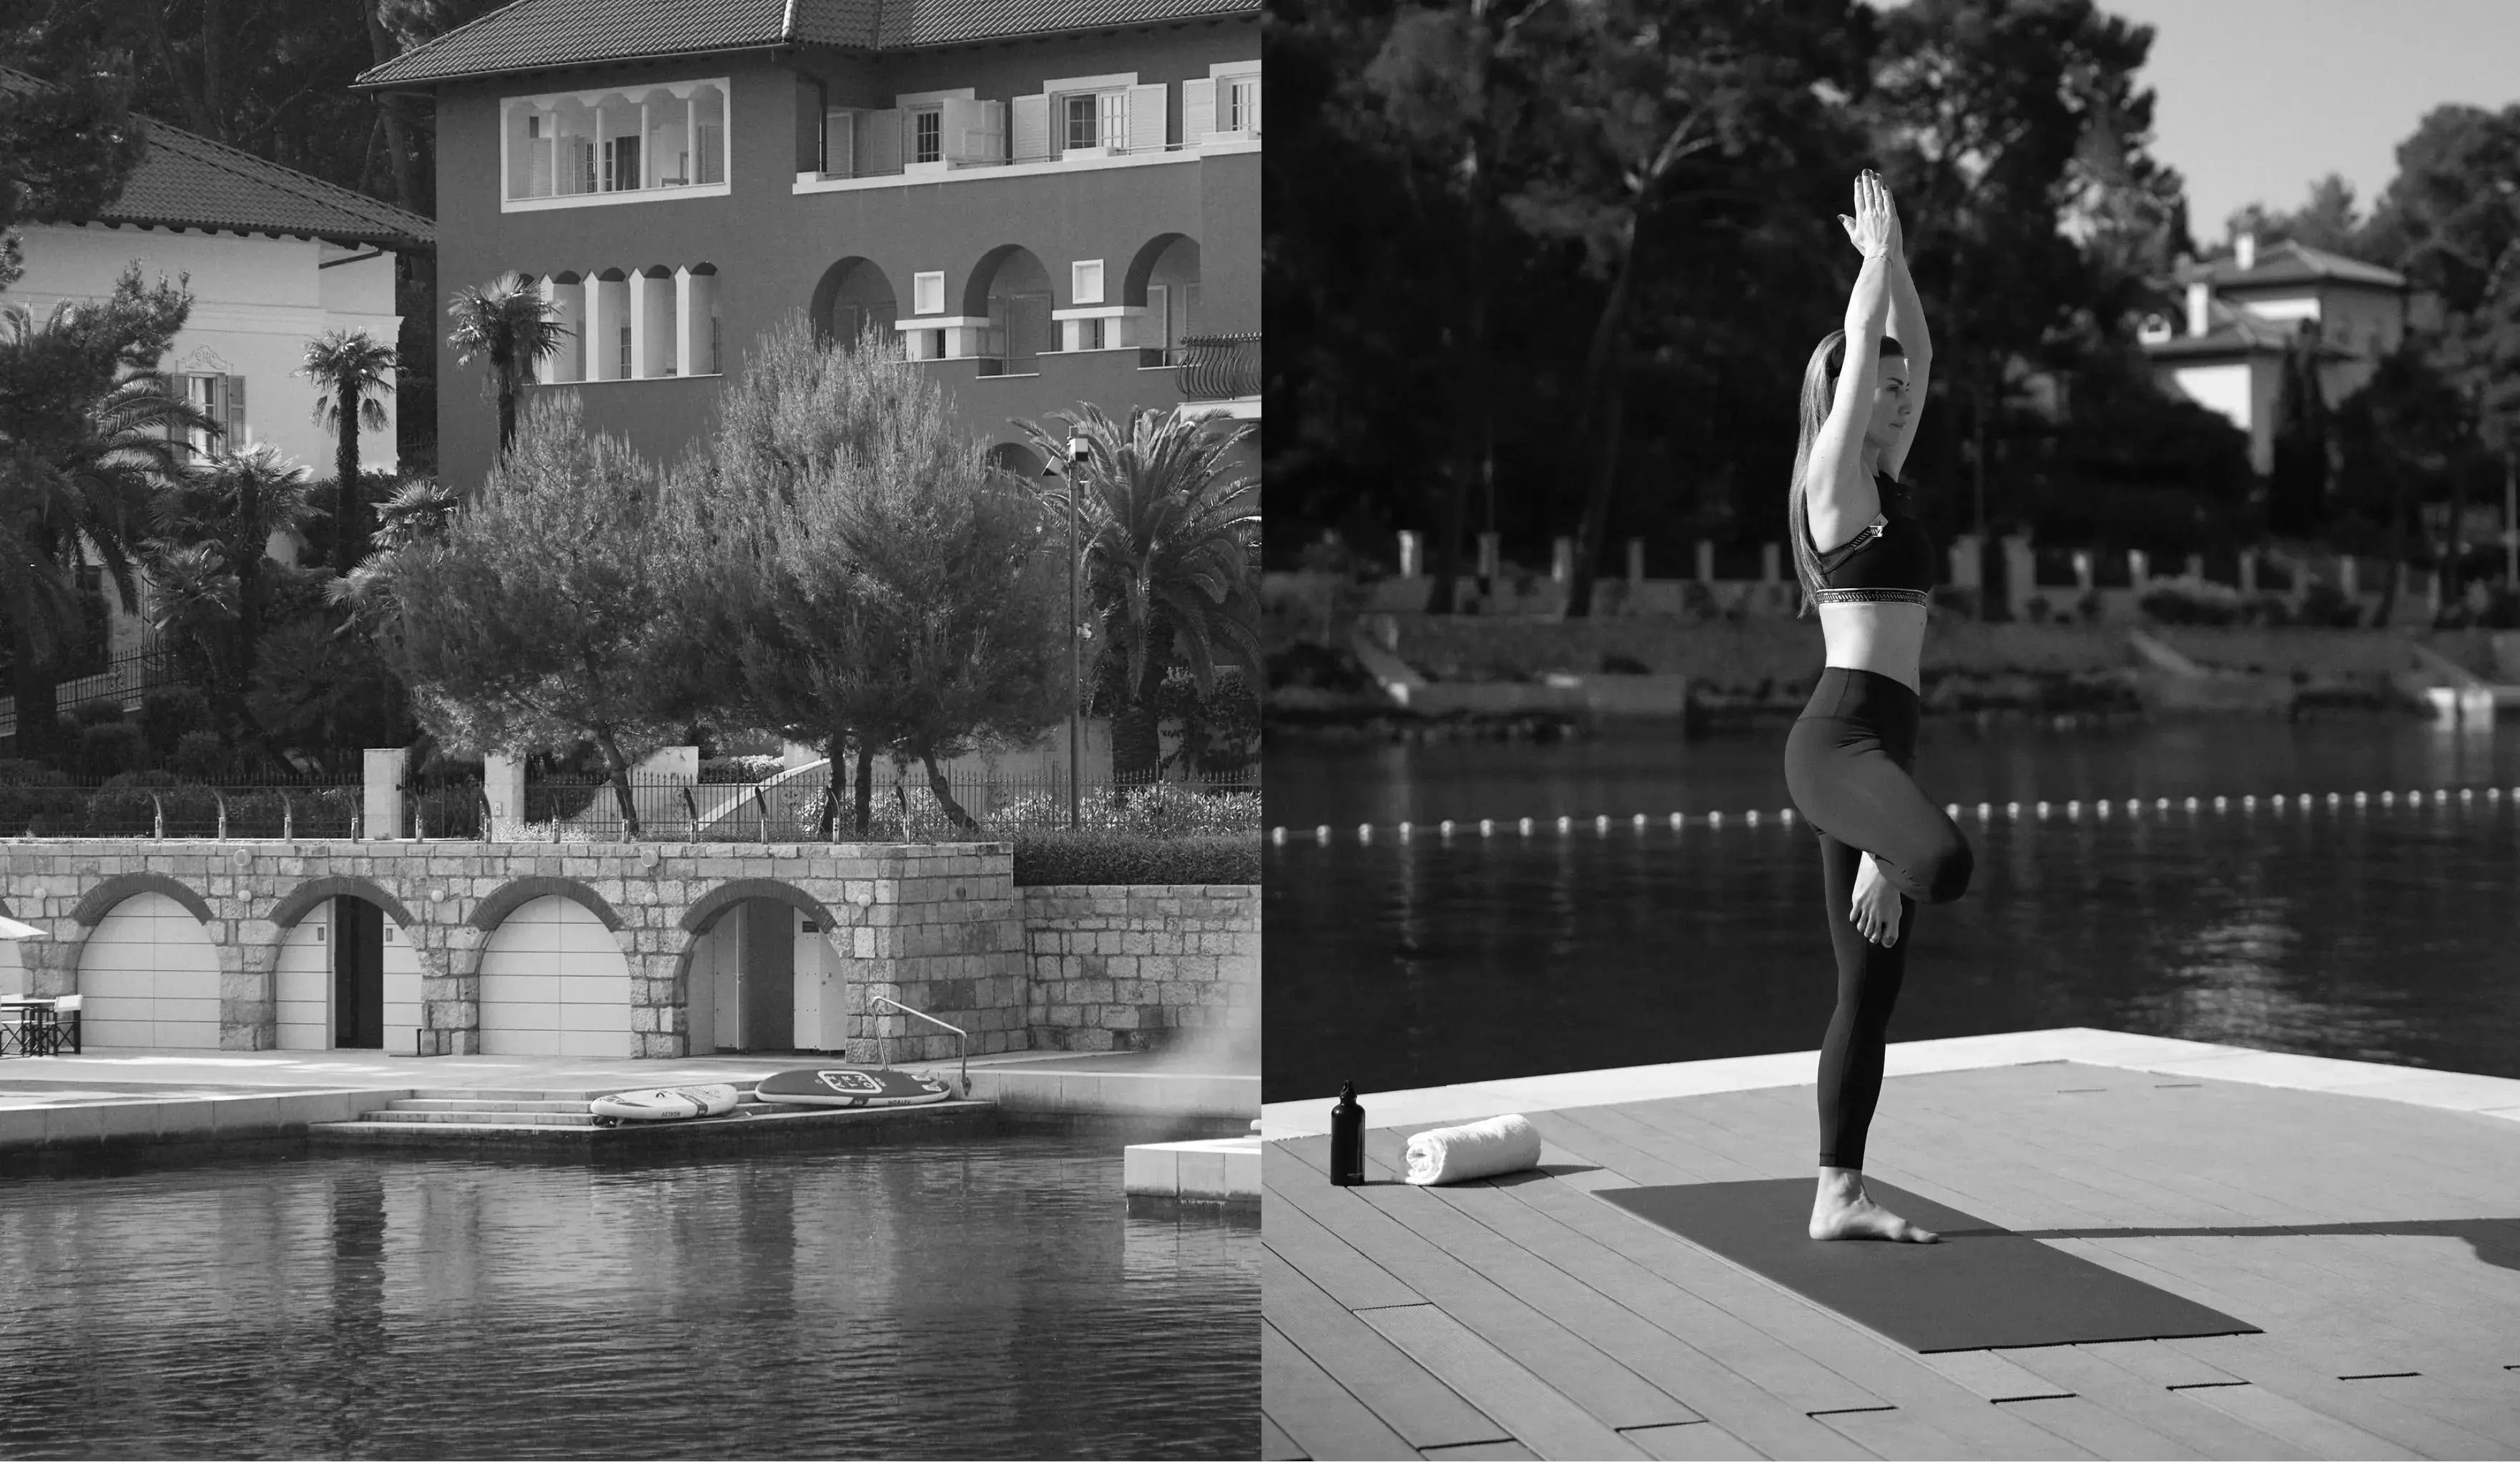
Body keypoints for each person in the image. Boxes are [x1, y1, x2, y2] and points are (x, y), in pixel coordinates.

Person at [1780, 170, 1974, 1243]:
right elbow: (1866, 350)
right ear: (1844, 393)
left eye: (1901, 391)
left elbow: (1921, 352)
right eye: (1879, 388)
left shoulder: (1888, 479)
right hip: (1836, 743)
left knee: (1872, 985)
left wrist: (1899, 265)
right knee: (1940, 864)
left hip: (1883, 752)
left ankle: (1837, 1192)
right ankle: (1887, 855)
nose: (1899, 398)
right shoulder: (1834, 484)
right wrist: (1869, 265)